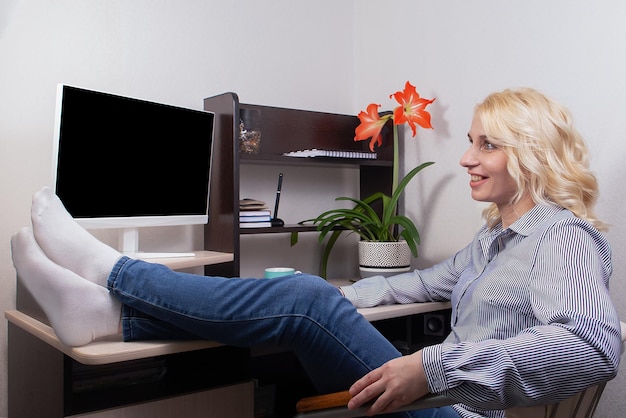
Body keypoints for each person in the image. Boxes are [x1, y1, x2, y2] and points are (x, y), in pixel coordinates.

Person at [11, 88, 621, 418]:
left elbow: (596, 346)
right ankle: (106, 313)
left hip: (454, 410)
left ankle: (109, 272)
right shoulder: (493, 242)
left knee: (300, 301)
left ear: (530, 155)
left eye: (485, 146)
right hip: (441, 399)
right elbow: (416, 284)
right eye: (470, 143)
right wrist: (337, 296)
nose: (465, 158)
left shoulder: (563, 236)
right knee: (305, 299)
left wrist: (432, 368)